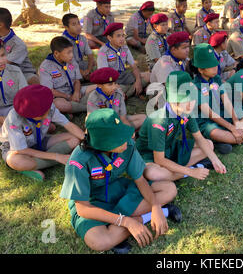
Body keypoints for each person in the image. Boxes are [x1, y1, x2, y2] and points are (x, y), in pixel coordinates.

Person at [60, 108, 182, 253]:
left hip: (119, 189)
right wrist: (126, 221)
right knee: (99, 241)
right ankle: (147, 218)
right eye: (119, 138)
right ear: (104, 144)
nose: (128, 138)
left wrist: (155, 206)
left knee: (169, 189)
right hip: (93, 202)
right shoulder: (78, 162)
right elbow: (83, 208)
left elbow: (140, 180)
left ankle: (146, 217)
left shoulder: (128, 145)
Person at [137, 71, 227, 182]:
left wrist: (215, 160)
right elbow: (159, 159)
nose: (191, 105)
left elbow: (199, 138)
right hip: (150, 157)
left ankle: (176, 171)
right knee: (154, 174)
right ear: (174, 102)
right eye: (187, 101)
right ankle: (189, 170)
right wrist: (190, 172)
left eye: (193, 100)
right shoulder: (159, 120)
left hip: (171, 149)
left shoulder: (186, 111)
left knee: (209, 144)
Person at [190, 43, 243, 155]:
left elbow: (226, 101)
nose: (215, 67)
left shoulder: (216, 79)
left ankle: (229, 139)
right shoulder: (195, 86)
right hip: (207, 122)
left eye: (215, 64)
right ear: (200, 69)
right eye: (211, 66)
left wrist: (236, 122)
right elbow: (210, 114)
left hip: (222, 115)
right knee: (214, 133)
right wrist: (232, 128)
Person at [0, 85, 84, 181]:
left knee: (74, 139)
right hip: (15, 149)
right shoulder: (14, 119)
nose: (48, 113)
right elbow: (22, 150)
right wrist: (57, 156)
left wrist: (85, 138)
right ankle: (29, 165)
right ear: (30, 114)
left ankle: (35, 165)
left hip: (40, 139)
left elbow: (67, 124)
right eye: (43, 114)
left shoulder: (47, 106)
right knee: (15, 161)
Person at [39, 36, 96, 115]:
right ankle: (85, 107)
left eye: (71, 51)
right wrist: (68, 97)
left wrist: (76, 92)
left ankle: (73, 109)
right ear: (56, 53)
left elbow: (77, 80)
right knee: (57, 104)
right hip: (61, 97)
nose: (72, 55)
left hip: (75, 91)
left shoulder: (71, 60)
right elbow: (50, 91)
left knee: (98, 87)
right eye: (68, 52)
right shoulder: (45, 67)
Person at [97, 22, 149, 98]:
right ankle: (128, 92)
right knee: (115, 90)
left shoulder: (124, 48)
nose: (122, 39)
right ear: (109, 38)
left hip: (123, 75)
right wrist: (114, 85)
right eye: (118, 36)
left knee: (149, 75)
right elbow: (104, 74)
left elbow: (134, 67)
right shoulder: (103, 51)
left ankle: (128, 92)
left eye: (123, 35)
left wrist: (138, 81)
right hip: (110, 79)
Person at [0, 8, 39, 85]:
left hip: (22, 72)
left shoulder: (18, 44)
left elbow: (6, 63)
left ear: (1, 25)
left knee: (33, 80)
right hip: (3, 71)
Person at [0, 43, 27, 126]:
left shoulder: (15, 71)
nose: (1, 60)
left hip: (13, 109)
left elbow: (25, 95)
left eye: (2, 55)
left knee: (50, 127)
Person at [62, 13, 95, 81]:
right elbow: (69, 62)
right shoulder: (63, 41)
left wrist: (88, 70)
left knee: (94, 64)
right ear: (66, 27)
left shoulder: (82, 38)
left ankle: (86, 77)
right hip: (68, 66)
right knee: (71, 73)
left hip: (80, 64)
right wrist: (82, 72)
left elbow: (90, 55)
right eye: (74, 24)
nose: (78, 27)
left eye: (78, 23)